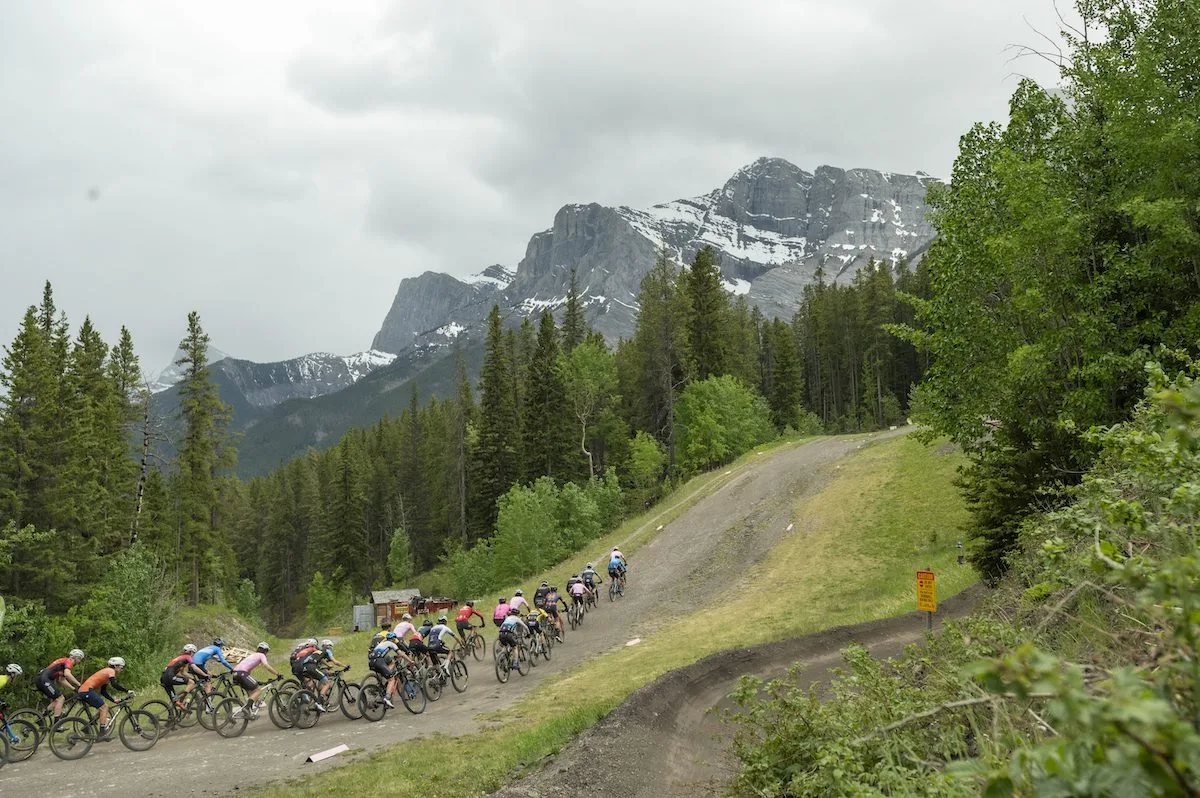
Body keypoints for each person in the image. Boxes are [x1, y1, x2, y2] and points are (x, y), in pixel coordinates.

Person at [77, 656, 132, 737]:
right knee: (104, 707)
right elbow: (114, 685)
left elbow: (103, 692)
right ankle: (102, 733)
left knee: (102, 709)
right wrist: (127, 691)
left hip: (84, 690)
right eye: (121, 667)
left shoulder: (106, 673)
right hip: (86, 691)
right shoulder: (110, 671)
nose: (122, 669)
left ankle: (87, 727)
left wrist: (114, 700)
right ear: (116, 666)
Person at [232, 642, 282, 717]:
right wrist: (277, 674)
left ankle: (250, 713)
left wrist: (257, 681)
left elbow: (248, 673)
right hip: (241, 673)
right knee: (258, 691)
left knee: (251, 691)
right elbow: (266, 665)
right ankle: (246, 708)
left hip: (235, 673)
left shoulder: (252, 655)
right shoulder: (261, 655)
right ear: (265, 651)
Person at [35, 648, 84, 720]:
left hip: (41, 679)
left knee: (56, 700)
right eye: (80, 659)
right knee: (61, 698)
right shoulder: (68, 661)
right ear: (76, 657)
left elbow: (62, 680)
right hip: (44, 679)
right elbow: (67, 674)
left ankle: (41, 719)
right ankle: (57, 724)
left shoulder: (63, 662)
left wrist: (73, 689)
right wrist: (79, 684)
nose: (80, 661)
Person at [160, 644, 205, 708]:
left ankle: (172, 715)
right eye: (193, 653)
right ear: (190, 652)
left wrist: (192, 677)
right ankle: (181, 699)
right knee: (191, 682)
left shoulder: (180, 658)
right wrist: (204, 674)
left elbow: (182, 672)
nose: (193, 655)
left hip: (163, 678)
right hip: (170, 676)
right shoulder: (187, 657)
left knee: (174, 700)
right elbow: (195, 668)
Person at [368, 632, 403, 709]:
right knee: (391, 679)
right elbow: (401, 653)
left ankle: (381, 685)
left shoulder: (382, 641)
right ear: (393, 639)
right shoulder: (392, 643)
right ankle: (387, 698)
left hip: (371, 659)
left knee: (385, 669)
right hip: (379, 660)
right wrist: (410, 660)